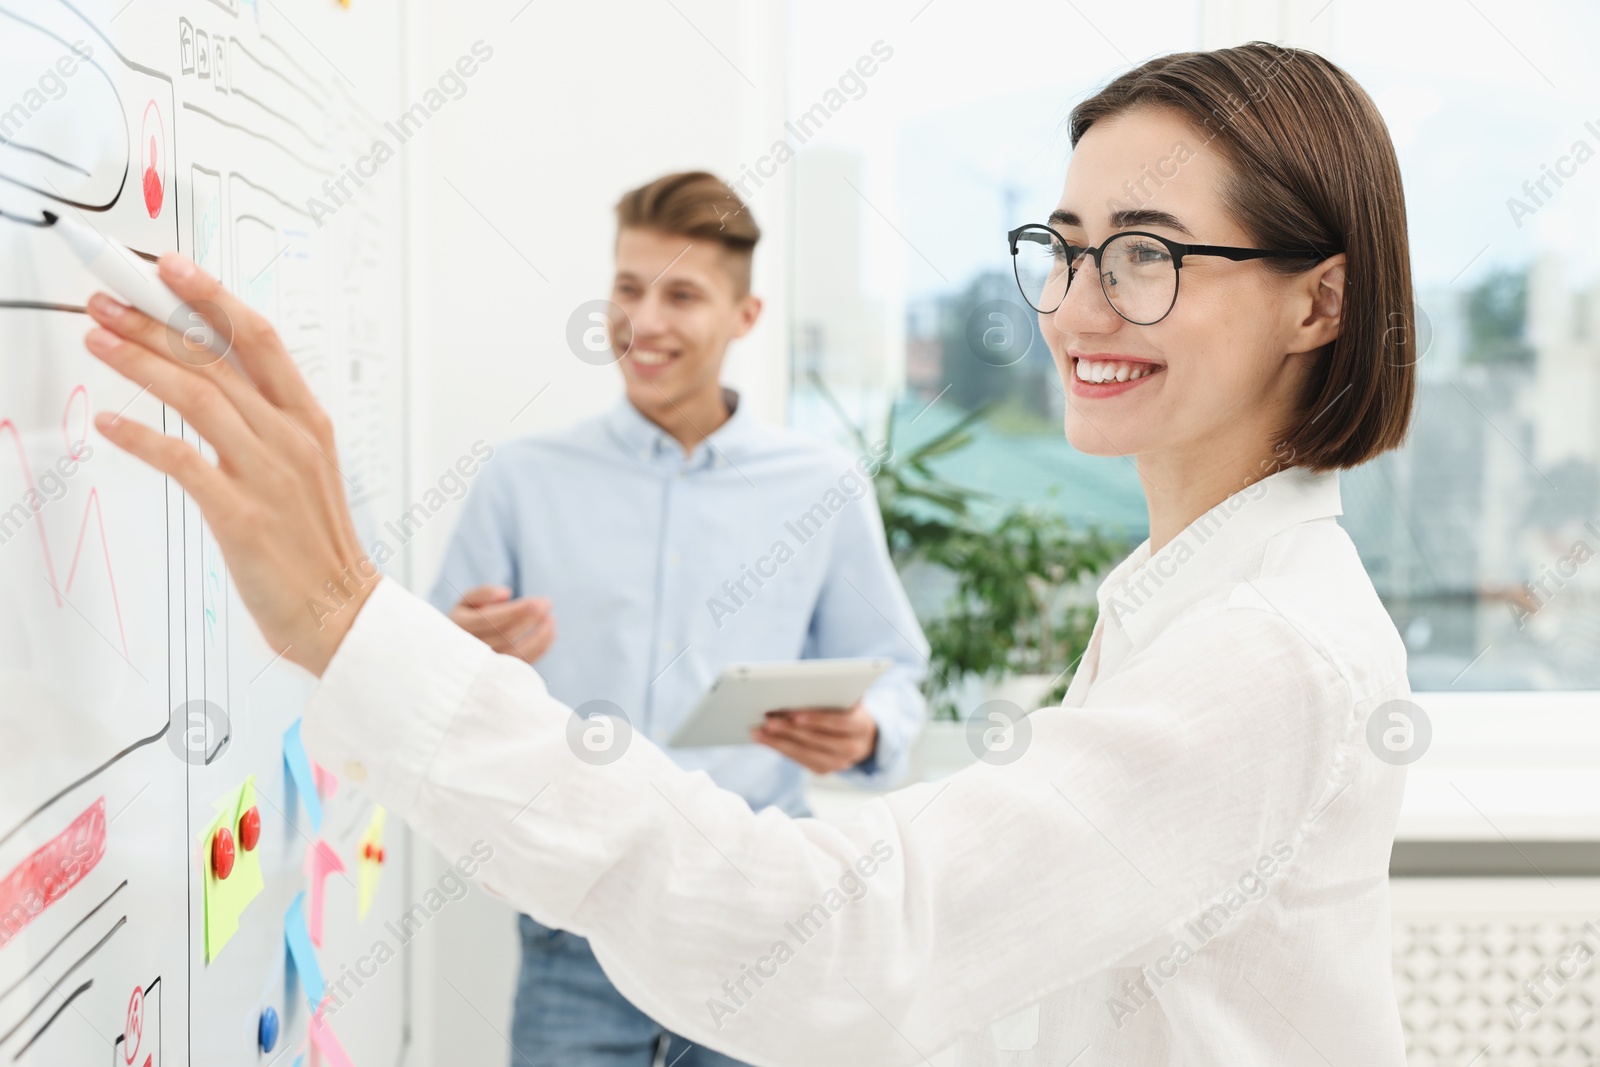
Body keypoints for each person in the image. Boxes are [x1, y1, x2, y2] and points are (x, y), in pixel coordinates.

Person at [81, 41, 1418, 1066]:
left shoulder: (1262, 652)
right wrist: (412, 641)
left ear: (1321, 297)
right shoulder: (1196, 603)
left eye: (1143, 254)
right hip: (590, 933)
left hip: (733, 914)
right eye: (1061, 251)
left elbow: (845, 936)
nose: (1074, 305)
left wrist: (347, 620)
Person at [427, 171, 929, 1067]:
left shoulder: (822, 486)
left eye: (682, 294)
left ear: (745, 314)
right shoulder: (521, 479)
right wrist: (456, 655)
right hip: (571, 922)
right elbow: (428, 681)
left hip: (756, 924)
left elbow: (894, 669)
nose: (643, 321)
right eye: (628, 288)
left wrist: (865, 730)